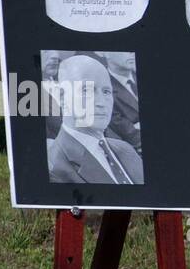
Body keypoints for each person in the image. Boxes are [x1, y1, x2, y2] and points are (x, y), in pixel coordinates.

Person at [47, 54, 144, 185]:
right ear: (63, 97)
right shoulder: (54, 167)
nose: (101, 102)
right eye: (87, 90)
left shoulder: (126, 149)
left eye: (106, 92)